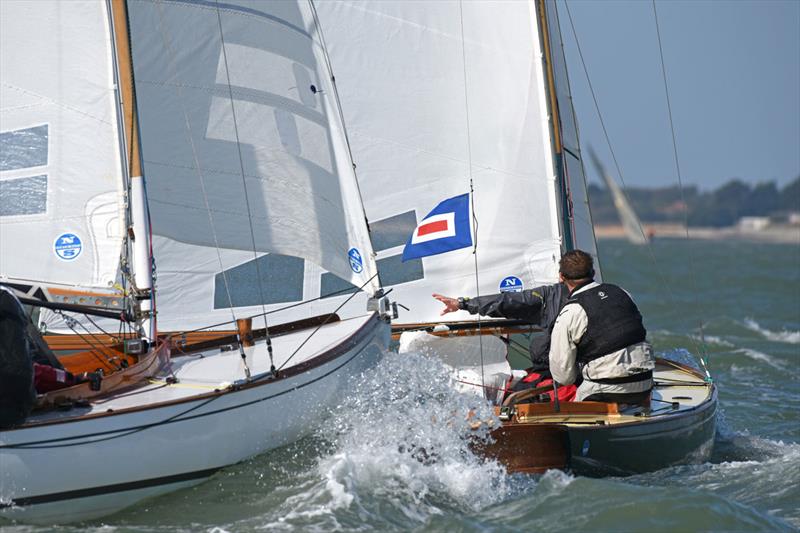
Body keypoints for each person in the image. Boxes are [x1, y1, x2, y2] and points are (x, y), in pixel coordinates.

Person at [432, 275, 576, 402]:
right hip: (554, 373)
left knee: (517, 399)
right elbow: (507, 300)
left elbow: (508, 300)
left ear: (561, 276)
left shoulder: (551, 294)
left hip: (562, 379)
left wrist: (463, 304)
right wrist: (465, 304)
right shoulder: (553, 294)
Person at [549, 250, 654, 403]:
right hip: (644, 385)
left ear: (561, 277)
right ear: (593, 272)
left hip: (603, 392)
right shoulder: (622, 293)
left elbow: (563, 376)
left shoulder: (570, 312)